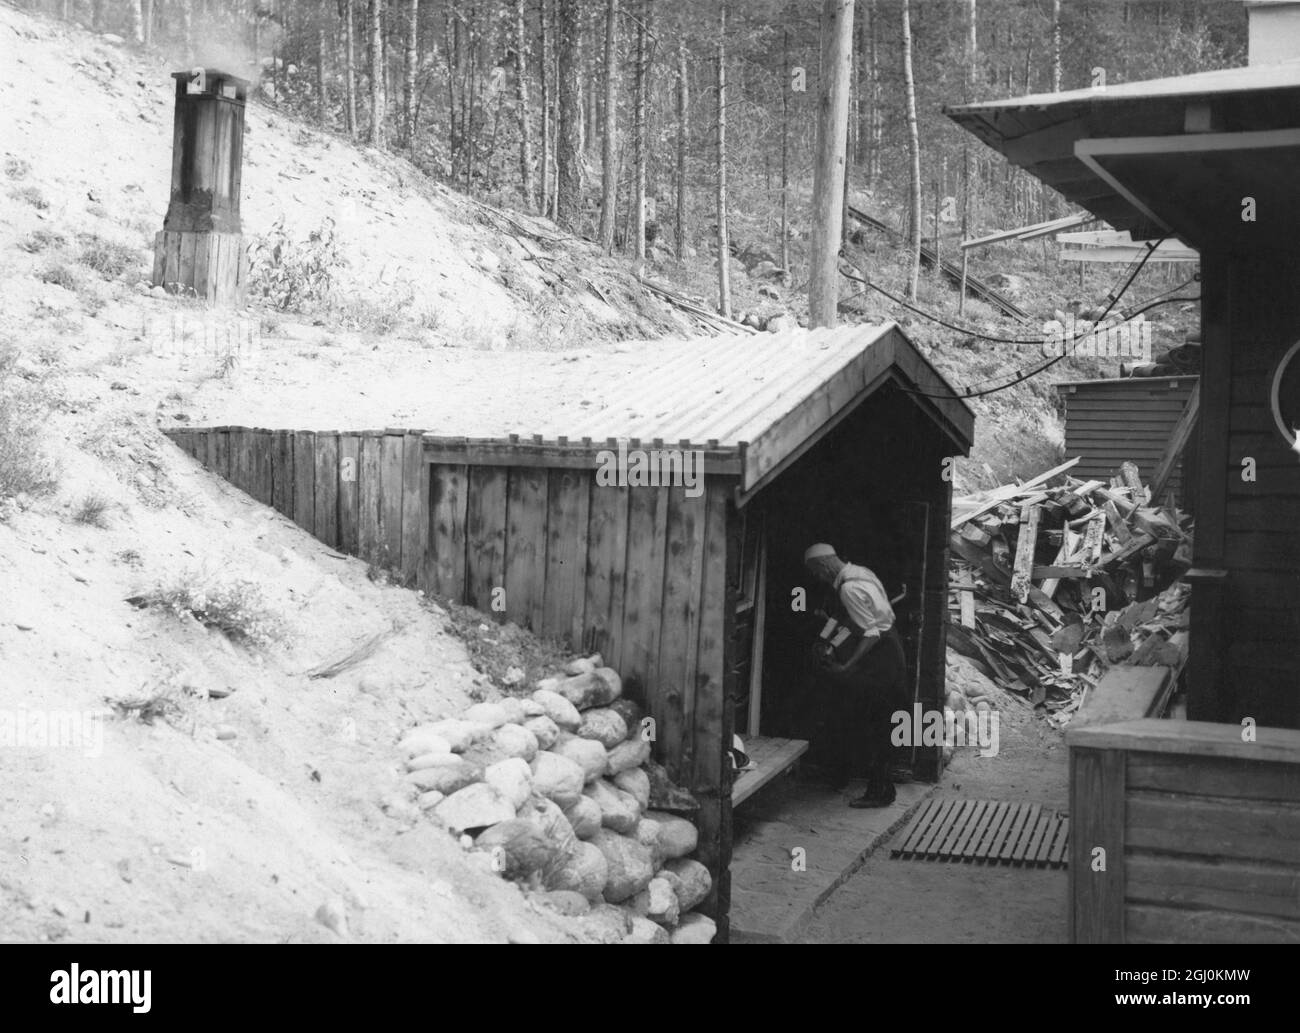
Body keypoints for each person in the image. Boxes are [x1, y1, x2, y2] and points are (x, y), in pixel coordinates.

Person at [804, 542, 909, 808]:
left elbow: (870, 633)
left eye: (815, 571)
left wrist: (846, 666)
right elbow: (851, 619)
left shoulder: (850, 587)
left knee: (875, 720)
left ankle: (880, 791)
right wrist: (827, 638)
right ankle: (849, 777)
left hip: (880, 656)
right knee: (864, 714)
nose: (817, 577)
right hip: (888, 647)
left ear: (824, 565)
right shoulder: (860, 573)